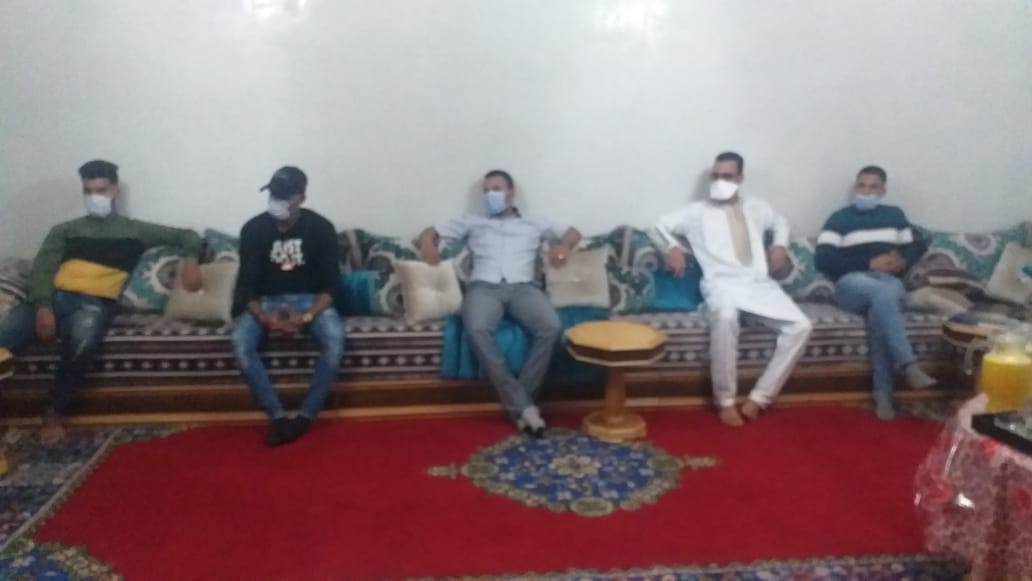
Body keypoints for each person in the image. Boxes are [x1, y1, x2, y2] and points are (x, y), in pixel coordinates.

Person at [0, 160, 203, 443]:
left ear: (115, 191)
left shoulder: (134, 230)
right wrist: (43, 306)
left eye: (101, 190)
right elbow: (43, 269)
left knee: (82, 343)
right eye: (88, 191)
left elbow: (188, 236)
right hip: (54, 297)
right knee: (4, 335)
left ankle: (54, 413)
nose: (95, 197)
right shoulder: (65, 230)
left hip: (93, 303)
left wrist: (191, 261)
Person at [417, 170, 581, 437]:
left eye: (496, 188)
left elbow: (573, 232)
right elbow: (431, 231)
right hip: (484, 288)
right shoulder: (472, 222)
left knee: (551, 327)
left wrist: (564, 248)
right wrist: (427, 243)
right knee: (477, 329)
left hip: (524, 288)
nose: (490, 194)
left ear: (510, 193)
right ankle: (525, 406)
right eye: (486, 191)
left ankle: (520, 404)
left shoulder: (535, 222)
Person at [654, 152, 813, 426]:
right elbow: (658, 225)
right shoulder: (696, 212)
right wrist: (672, 247)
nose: (720, 182)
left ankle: (760, 397)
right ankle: (725, 401)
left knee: (802, 326)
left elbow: (781, 223)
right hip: (721, 284)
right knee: (726, 317)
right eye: (715, 176)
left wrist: (779, 245)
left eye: (727, 176)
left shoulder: (758, 207)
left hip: (759, 284)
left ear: (740, 178)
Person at [232, 166, 343, 446]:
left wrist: (306, 317)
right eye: (273, 193)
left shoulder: (321, 228)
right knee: (240, 343)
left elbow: (331, 287)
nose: (276, 200)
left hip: (310, 299)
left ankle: (305, 416)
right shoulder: (253, 229)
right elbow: (245, 287)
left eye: (284, 195)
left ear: (301, 197)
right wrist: (263, 316)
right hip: (265, 302)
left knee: (335, 339)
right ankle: (278, 417)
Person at [815, 165, 934, 420]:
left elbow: (912, 248)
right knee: (884, 294)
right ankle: (908, 364)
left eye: (873, 187)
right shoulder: (839, 219)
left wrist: (902, 261)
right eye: (862, 186)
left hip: (889, 281)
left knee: (881, 307)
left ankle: (883, 395)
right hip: (852, 282)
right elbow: (824, 259)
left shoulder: (895, 215)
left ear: (883, 190)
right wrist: (869, 263)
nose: (866, 191)